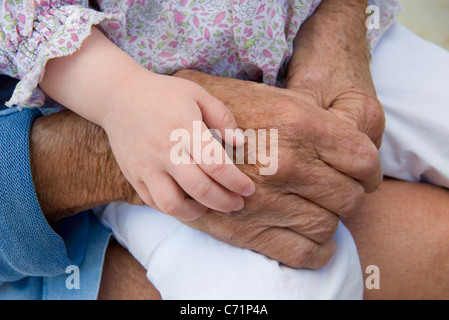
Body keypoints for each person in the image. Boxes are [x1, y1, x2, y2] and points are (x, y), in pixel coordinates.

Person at [0, 0, 448, 299]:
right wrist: (121, 98)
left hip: (322, 32)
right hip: (141, 113)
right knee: (275, 293)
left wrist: (342, 15)